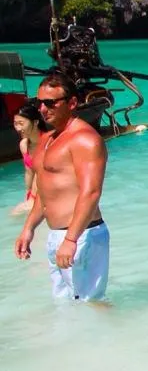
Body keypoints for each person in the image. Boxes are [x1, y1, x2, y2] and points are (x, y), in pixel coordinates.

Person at [13, 71, 110, 301]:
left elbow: (91, 192)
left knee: (90, 305)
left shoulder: (85, 139)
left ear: (72, 103)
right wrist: (29, 228)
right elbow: (45, 191)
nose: (43, 109)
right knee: (64, 308)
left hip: (82, 234)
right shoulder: (47, 140)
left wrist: (71, 239)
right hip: (57, 235)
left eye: (50, 103)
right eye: (39, 103)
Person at [9, 100, 43, 215]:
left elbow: (41, 173)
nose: (18, 128)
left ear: (36, 122)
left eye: (21, 123)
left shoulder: (48, 142)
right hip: (34, 192)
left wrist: (33, 199)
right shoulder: (24, 145)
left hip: (48, 192)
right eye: (15, 124)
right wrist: (28, 194)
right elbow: (29, 172)